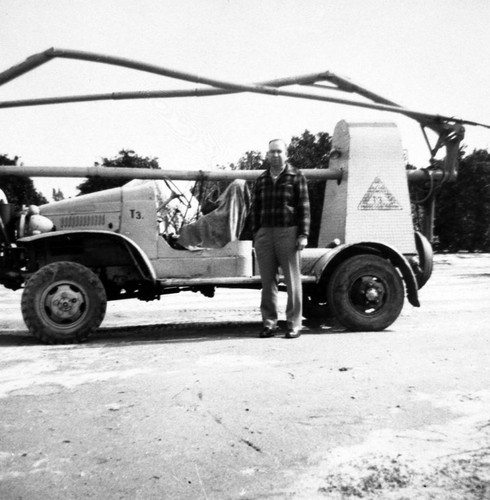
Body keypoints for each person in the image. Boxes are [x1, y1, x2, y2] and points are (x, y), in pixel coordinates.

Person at [252, 139, 310, 339]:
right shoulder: (261, 179)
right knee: (268, 282)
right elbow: (255, 208)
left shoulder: (296, 176)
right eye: (272, 152)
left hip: (288, 233)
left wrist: (303, 235)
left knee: (293, 281)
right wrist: (257, 233)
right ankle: (269, 323)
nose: (275, 155)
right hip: (265, 234)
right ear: (267, 155)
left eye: (279, 151)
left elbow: (304, 207)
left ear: (286, 154)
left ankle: (294, 324)